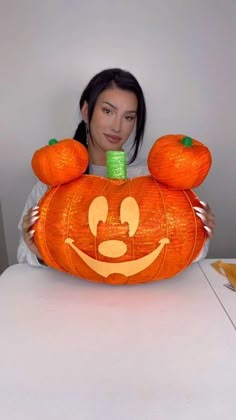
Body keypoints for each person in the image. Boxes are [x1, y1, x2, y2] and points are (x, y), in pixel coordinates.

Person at [17, 68, 215, 267]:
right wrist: (40, 251)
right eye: (108, 111)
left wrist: (198, 232)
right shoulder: (55, 178)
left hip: (142, 295)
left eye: (128, 117)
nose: (117, 127)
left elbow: (191, 253)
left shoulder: (153, 178)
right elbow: (23, 254)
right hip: (70, 291)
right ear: (86, 111)